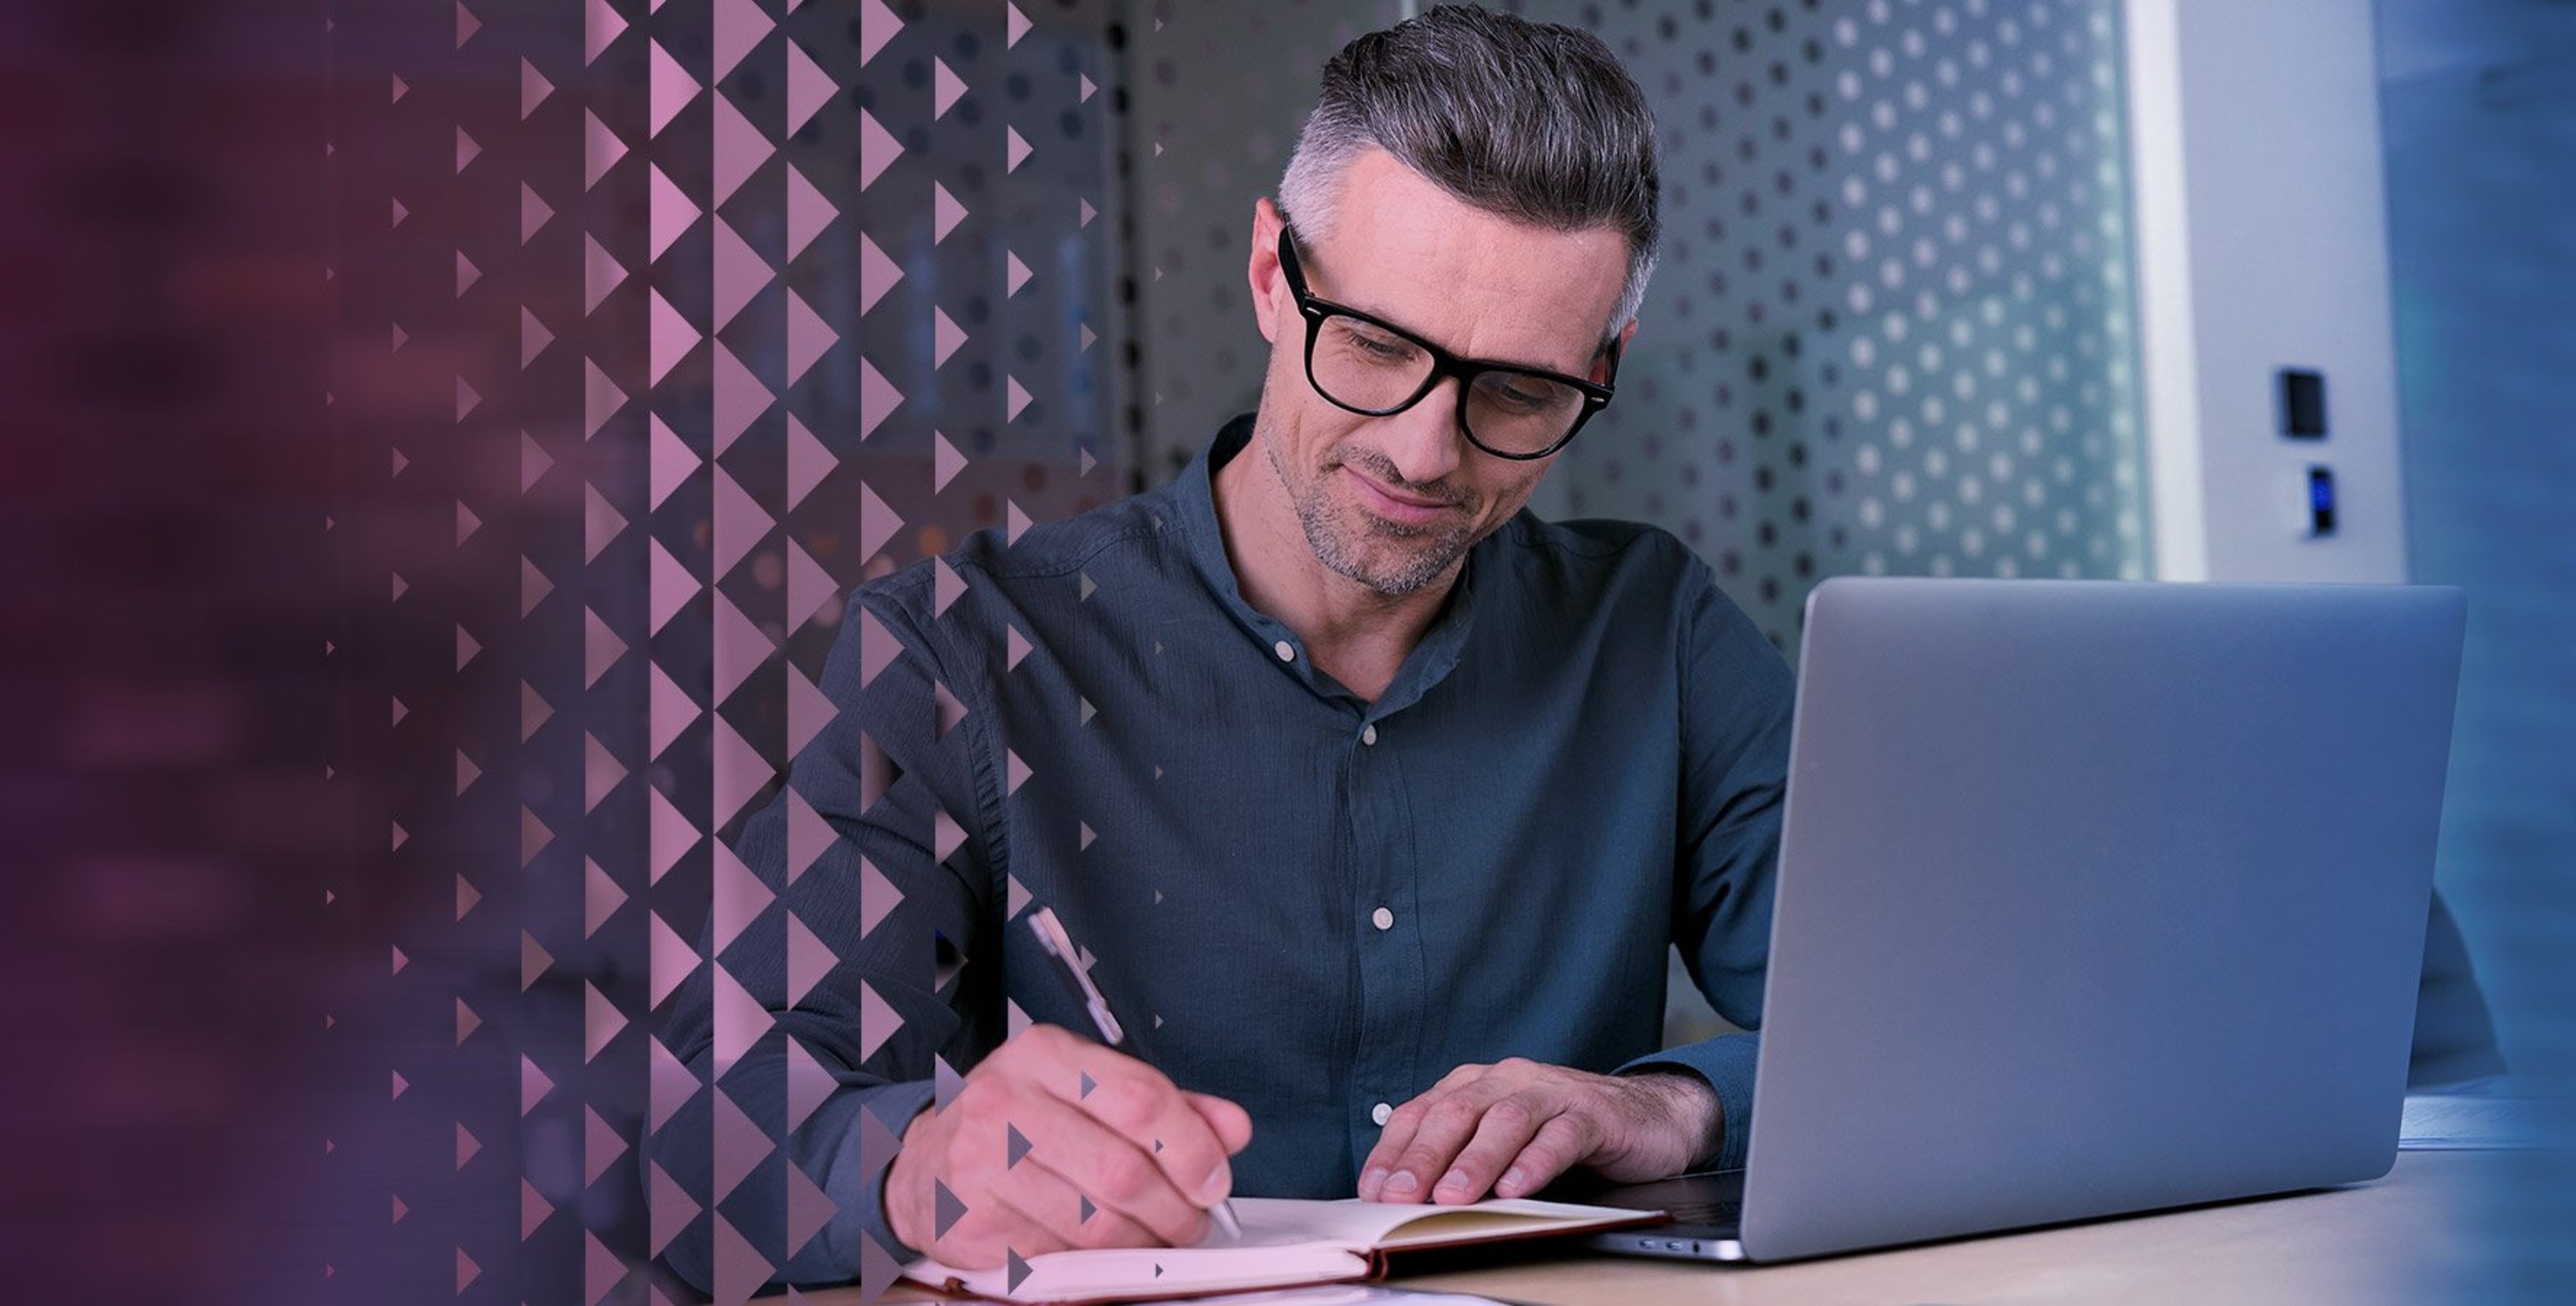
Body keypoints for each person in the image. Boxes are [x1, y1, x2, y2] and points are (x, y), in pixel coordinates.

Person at [656, 6, 1787, 1292]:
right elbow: (714, 1124)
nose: (1424, 453)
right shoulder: (961, 658)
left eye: (1519, 392)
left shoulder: (1659, 637)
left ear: (1603, 368)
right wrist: (914, 1164)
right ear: (1269, 272)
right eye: (1373, 344)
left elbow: (1916, 1037)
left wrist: (1675, 1105)